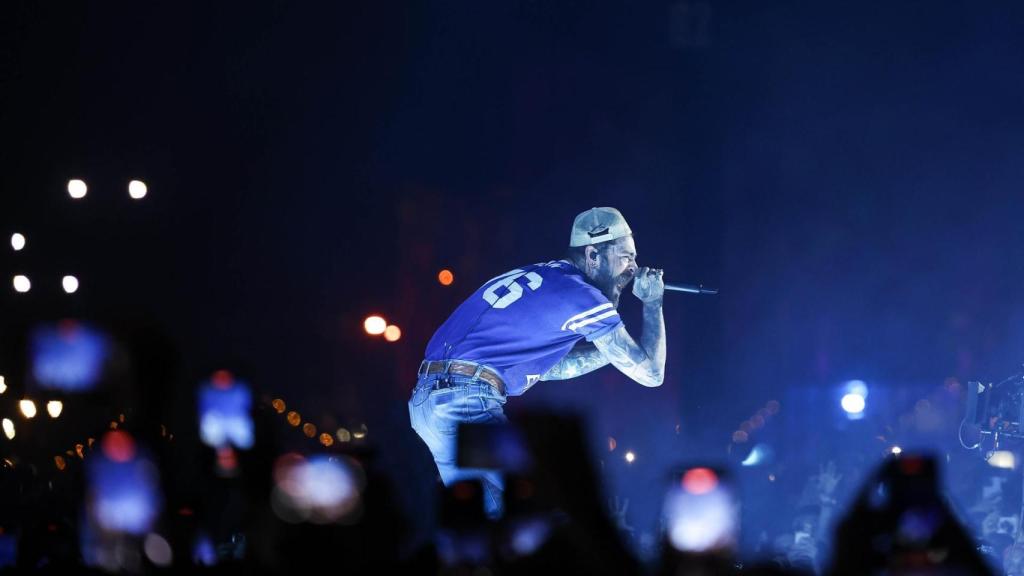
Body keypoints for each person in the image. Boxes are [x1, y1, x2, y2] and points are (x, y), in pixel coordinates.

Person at [408, 207, 667, 517]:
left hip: (431, 402)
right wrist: (653, 303)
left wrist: (613, 354)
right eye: (626, 257)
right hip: (465, 402)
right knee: (549, 499)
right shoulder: (582, 295)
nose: (633, 268)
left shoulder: (543, 278)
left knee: (490, 516)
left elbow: (554, 367)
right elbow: (652, 374)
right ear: (593, 255)